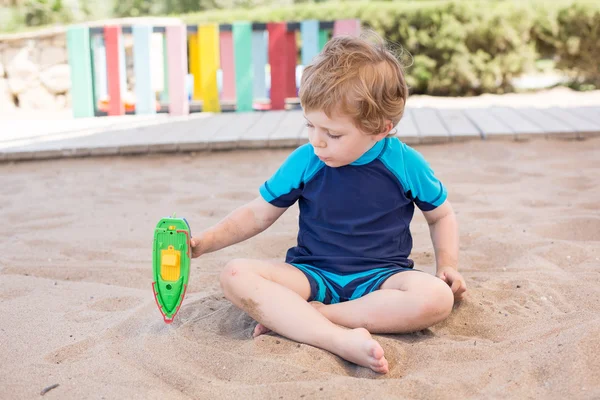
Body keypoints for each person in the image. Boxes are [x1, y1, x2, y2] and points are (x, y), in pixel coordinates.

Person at [190, 32, 466, 374]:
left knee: (438, 297)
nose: (317, 141)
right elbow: (257, 214)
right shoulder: (306, 160)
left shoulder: (405, 164)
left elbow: (441, 216)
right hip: (311, 275)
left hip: (380, 280)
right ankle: (336, 338)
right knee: (234, 273)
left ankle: (314, 319)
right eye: (310, 125)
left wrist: (448, 265)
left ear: (380, 128)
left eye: (333, 134)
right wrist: (205, 242)